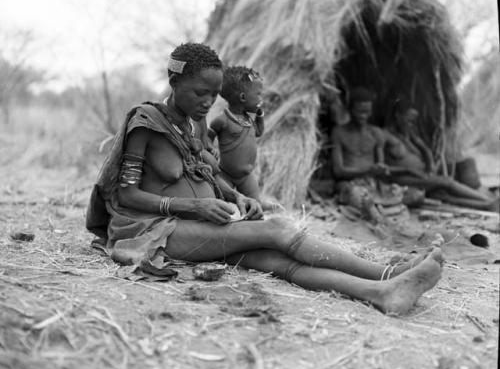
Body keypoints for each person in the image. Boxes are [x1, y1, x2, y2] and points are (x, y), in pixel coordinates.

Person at [86, 43, 443, 315]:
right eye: (199, 92)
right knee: (278, 230)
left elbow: (204, 172)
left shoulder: (194, 123)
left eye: (214, 94)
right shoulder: (146, 123)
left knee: (279, 262)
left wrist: (234, 195)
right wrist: (192, 204)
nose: (208, 102)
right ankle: (386, 272)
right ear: (174, 81)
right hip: (155, 229)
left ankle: (384, 293)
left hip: (195, 226)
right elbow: (127, 195)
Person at [384, 99, 498, 211]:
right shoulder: (384, 135)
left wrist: (429, 165)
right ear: (397, 116)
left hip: (422, 175)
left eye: (413, 120)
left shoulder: (409, 135)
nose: (411, 124)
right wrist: (408, 171)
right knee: (446, 181)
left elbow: (426, 151)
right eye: (408, 119)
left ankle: (487, 204)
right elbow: (383, 168)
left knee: (442, 195)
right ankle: (486, 200)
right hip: (404, 178)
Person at [331, 87, 409, 223]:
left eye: (366, 112)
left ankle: (378, 212)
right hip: (348, 183)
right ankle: (381, 222)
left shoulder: (376, 133)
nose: (363, 116)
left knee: (411, 194)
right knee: (359, 196)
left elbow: (381, 167)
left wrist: (381, 169)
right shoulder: (339, 132)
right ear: (349, 109)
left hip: (373, 183)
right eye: (359, 111)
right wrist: (367, 170)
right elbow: (338, 171)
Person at [208, 66, 278, 211]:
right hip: (225, 173)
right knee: (220, 199)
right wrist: (208, 148)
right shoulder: (223, 120)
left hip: (247, 175)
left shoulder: (249, 120)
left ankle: (257, 204)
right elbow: (208, 135)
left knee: (255, 202)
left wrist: (260, 117)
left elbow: (258, 132)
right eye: (258, 95)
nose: (261, 99)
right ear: (243, 98)